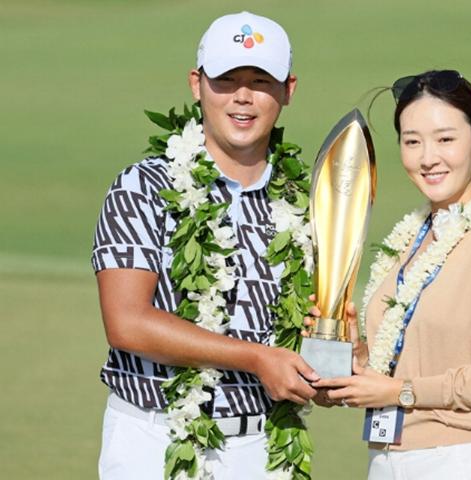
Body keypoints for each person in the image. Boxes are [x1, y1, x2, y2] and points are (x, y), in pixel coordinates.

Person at [92, 11, 318, 480]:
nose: (242, 96)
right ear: (197, 84)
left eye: (260, 80)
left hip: (266, 445)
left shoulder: (305, 204)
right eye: (227, 79)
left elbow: (310, 326)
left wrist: (339, 355)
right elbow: (127, 323)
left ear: (288, 90)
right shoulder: (143, 187)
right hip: (153, 441)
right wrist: (256, 357)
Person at [310, 70, 471, 479]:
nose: (428, 157)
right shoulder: (412, 240)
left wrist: (399, 391)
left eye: (445, 139)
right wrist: (353, 355)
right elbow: (408, 359)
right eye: (412, 141)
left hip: (460, 460)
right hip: (388, 459)